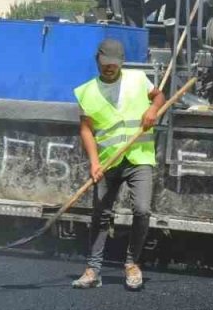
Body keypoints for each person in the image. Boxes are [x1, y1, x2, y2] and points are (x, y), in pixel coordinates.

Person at [70, 38, 165, 292]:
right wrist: (93, 163)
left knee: (143, 210)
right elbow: (86, 130)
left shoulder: (137, 79)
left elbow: (159, 96)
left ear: (121, 62)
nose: (109, 68)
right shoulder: (86, 91)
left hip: (139, 156)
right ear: (97, 62)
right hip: (108, 160)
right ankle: (93, 270)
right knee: (100, 213)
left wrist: (154, 109)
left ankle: (132, 264)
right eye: (105, 64)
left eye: (113, 64)